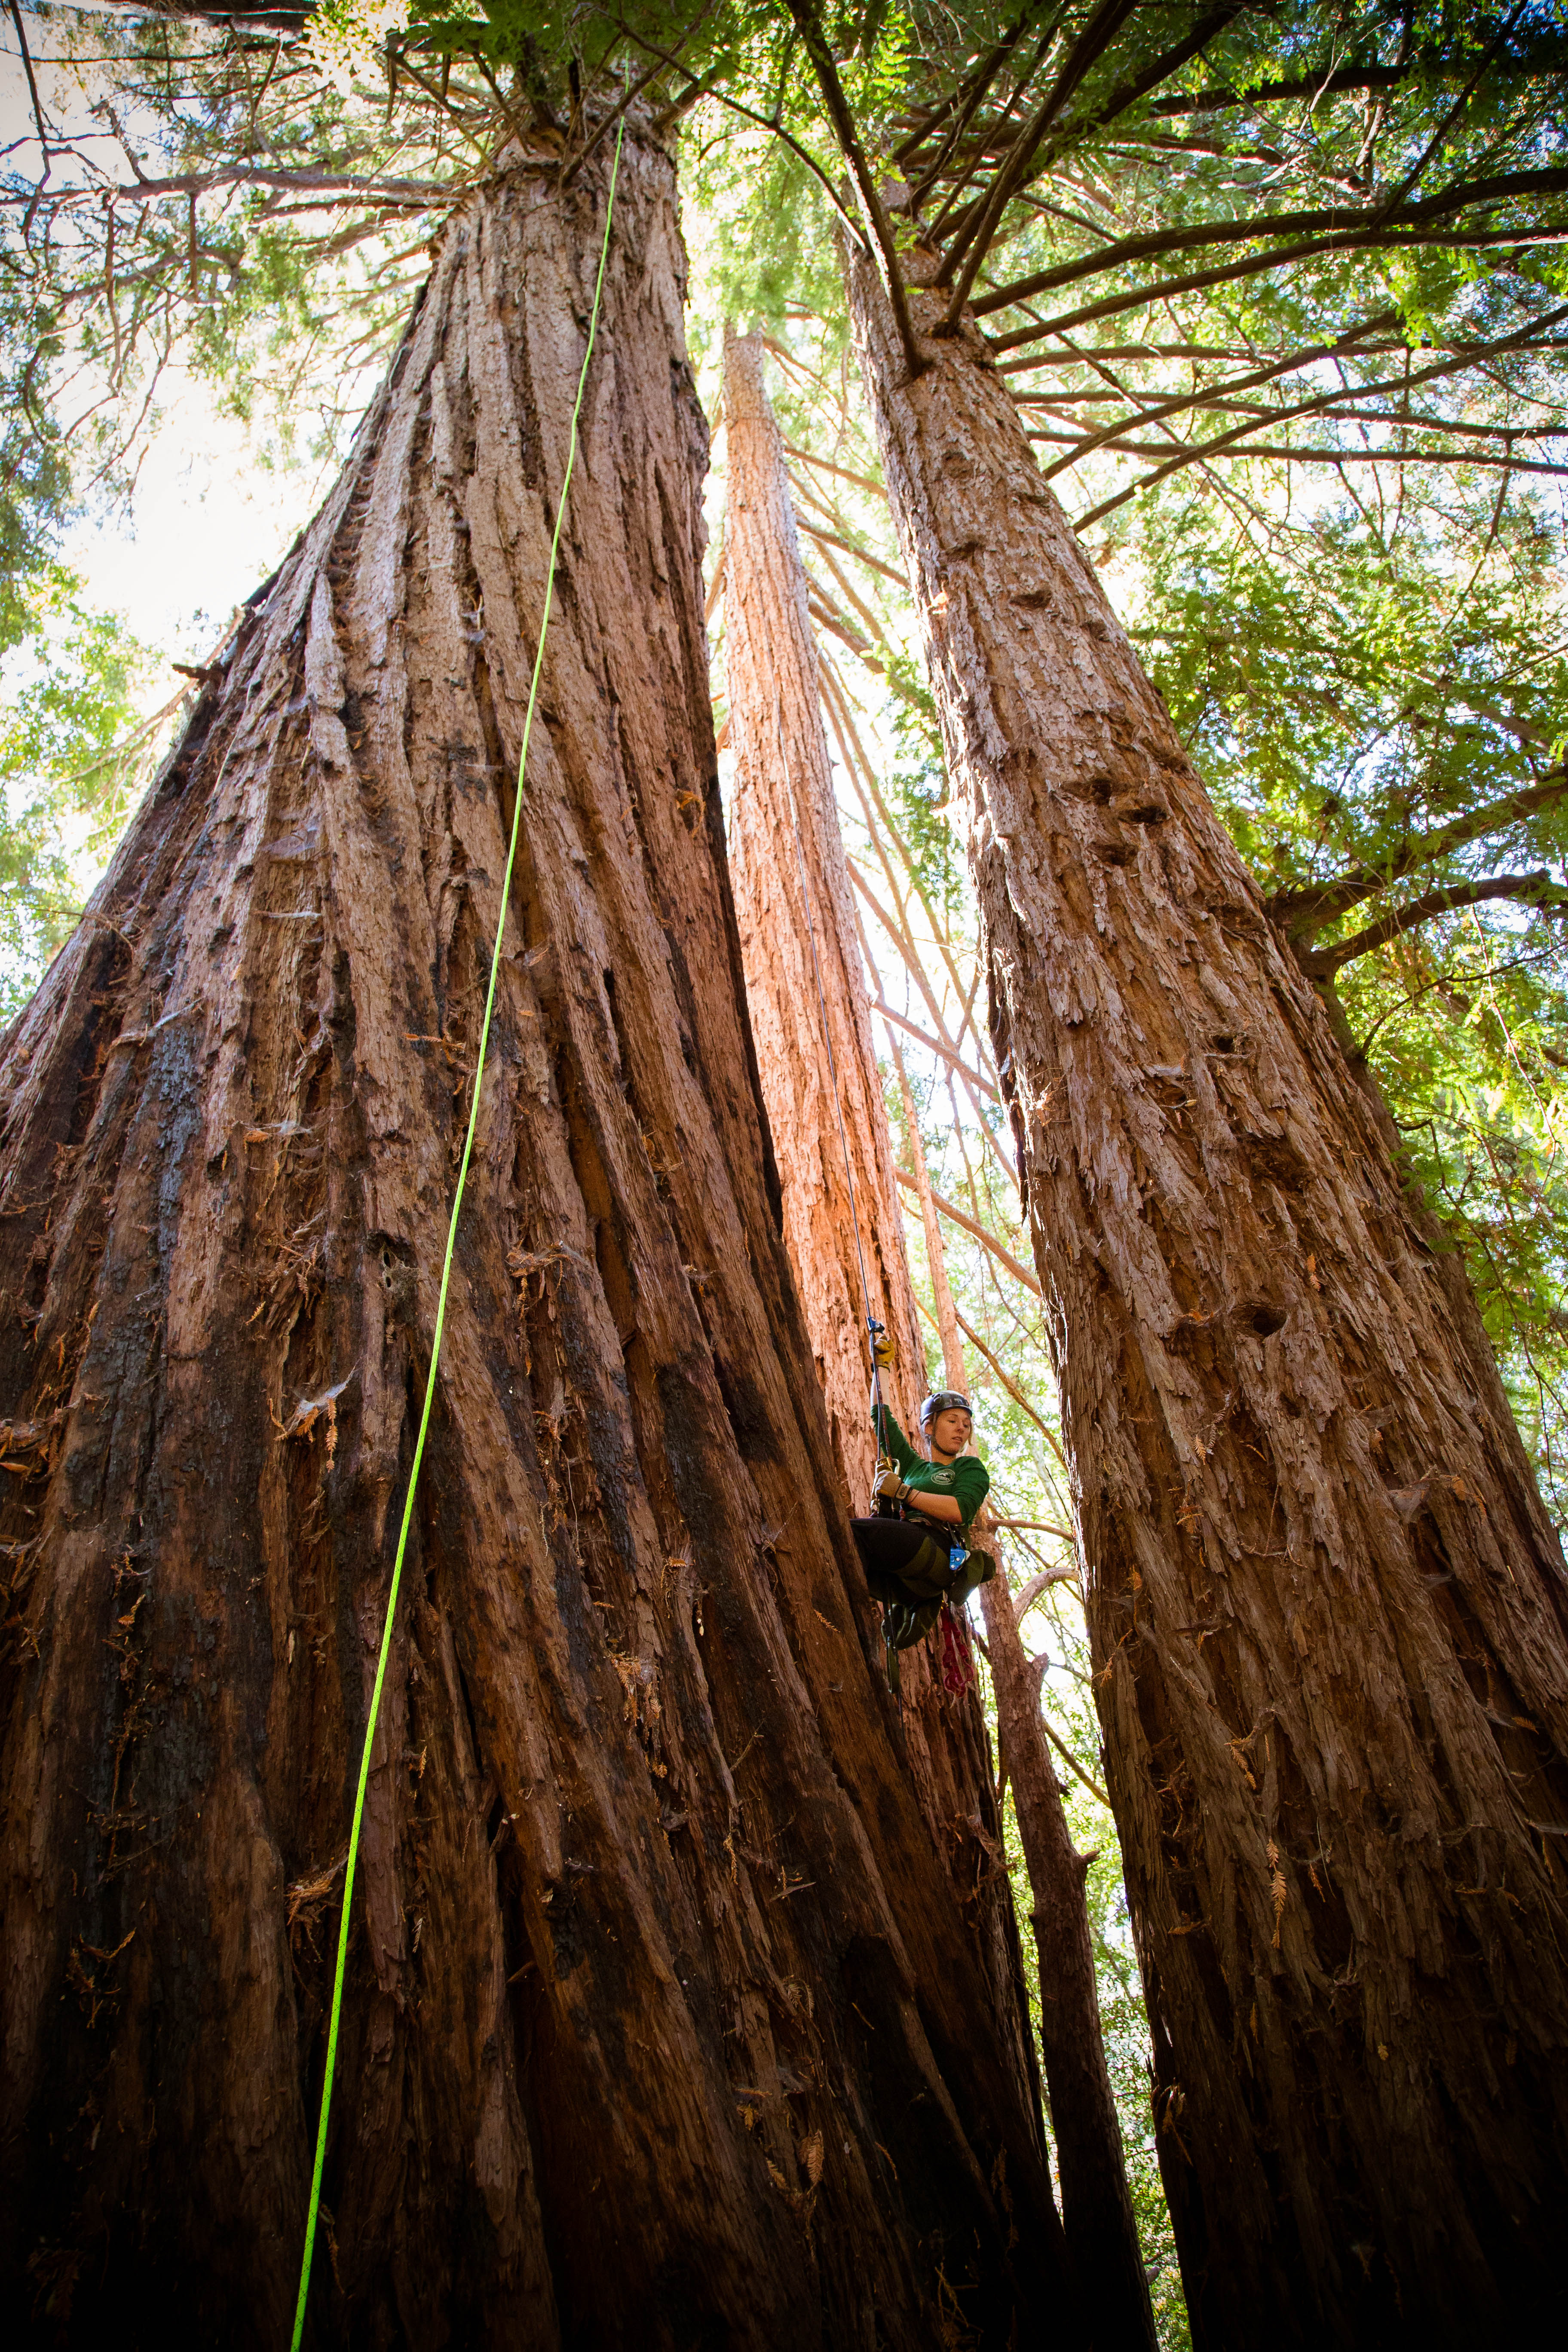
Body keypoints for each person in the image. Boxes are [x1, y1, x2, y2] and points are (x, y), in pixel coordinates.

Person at [852, 1383, 993, 1665]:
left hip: (938, 1550)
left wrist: (905, 1493)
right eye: (952, 1421)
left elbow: (959, 1510)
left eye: (966, 1424)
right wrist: (881, 1368)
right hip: (905, 1578)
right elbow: (881, 1418)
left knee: (855, 1534)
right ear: (929, 1428)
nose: (961, 1429)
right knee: (850, 1554)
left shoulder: (969, 1469)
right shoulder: (915, 1467)